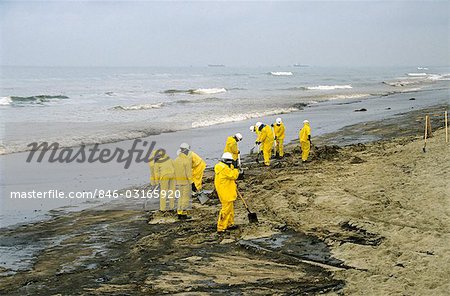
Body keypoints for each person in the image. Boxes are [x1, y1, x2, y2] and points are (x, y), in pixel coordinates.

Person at [214, 152, 240, 233]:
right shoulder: (224, 169)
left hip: (225, 190)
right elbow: (234, 175)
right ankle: (221, 227)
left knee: (230, 209)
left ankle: (229, 223)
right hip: (226, 192)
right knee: (226, 210)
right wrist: (235, 168)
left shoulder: (221, 166)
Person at [173, 146, 192, 220]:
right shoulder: (186, 161)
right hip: (185, 182)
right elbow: (188, 173)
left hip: (178, 182)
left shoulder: (176, 160)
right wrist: (191, 182)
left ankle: (179, 212)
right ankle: (183, 214)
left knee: (180, 198)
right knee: (185, 198)